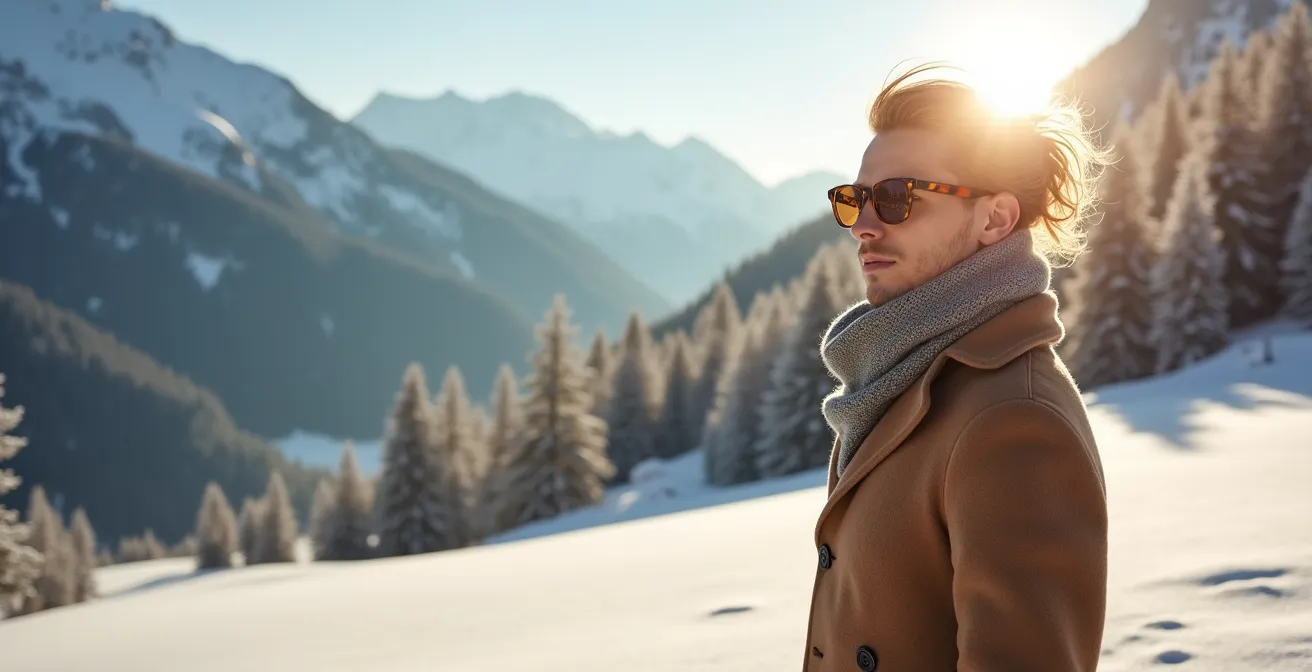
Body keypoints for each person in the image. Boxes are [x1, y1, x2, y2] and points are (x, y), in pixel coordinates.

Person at [803, 63, 1111, 671]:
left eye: (896, 199)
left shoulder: (1012, 418)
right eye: (855, 199)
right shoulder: (902, 377)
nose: (864, 225)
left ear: (994, 219)